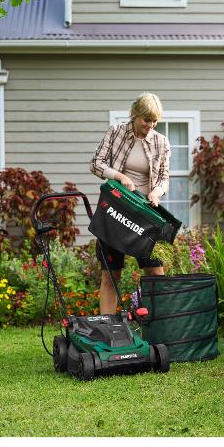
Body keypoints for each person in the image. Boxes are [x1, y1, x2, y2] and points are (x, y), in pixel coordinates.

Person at [90, 93, 171, 314]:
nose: (150, 126)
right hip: (116, 213)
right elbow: (96, 164)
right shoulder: (115, 133)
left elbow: (164, 178)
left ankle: (159, 326)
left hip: (146, 216)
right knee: (111, 274)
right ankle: (108, 328)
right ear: (134, 114)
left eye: (154, 121)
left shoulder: (161, 142)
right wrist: (118, 176)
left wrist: (156, 192)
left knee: (155, 272)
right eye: (146, 120)